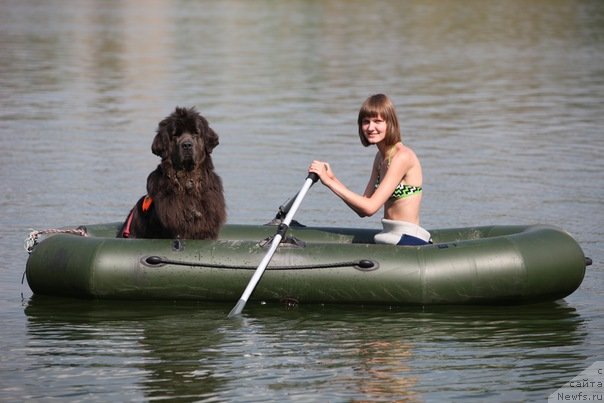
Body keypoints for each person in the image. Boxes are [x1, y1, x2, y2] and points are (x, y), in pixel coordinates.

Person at [308, 94, 431, 246]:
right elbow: (363, 207)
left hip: (408, 238)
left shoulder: (402, 157)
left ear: (390, 123)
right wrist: (333, 179)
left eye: (377, 121)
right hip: (389, 234)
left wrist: (329, 183)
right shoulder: (380, 158)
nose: (371, 128)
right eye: (366, 122)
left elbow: (370, 208)